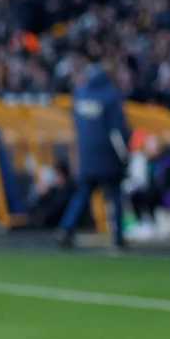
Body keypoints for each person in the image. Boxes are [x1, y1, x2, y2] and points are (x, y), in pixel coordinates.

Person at [58, 63, 130, 248]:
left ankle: (67, 229)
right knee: (114, 196)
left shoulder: (81, 95)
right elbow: (116, 132)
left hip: (87, 158)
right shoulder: (111, 97)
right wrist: (124, 157)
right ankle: (118, 235)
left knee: (82, 194)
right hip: (109, 158)